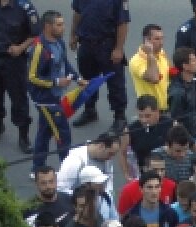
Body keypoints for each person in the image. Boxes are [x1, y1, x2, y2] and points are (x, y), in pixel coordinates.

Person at [0, 0, 39, 151]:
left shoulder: (25, 7)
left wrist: (21, 47)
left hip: (14, 62)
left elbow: (36, 34)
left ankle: (23, 135)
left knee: (19, 99)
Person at [66, 0, 128, 130]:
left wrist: (118, 49)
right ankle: (90, 110)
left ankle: (119, 116)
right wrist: (73, 35)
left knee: (115, 82)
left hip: (107, 45)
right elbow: (77, 13)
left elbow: (122, 23)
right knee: (87, 80)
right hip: (86, 44)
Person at [27, 12, 77, 175]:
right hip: (46, 100)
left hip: (56, 96)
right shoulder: (38, 48)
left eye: (63, 24)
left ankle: (37, 168)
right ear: (48, 26)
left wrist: (78, 78)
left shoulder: (59, 43)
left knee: (45, 132)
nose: (63, 27)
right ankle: (67, 171)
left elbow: (65, 64)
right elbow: (32, 77)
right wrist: (56, 82)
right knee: (63, 134)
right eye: (59, 24)